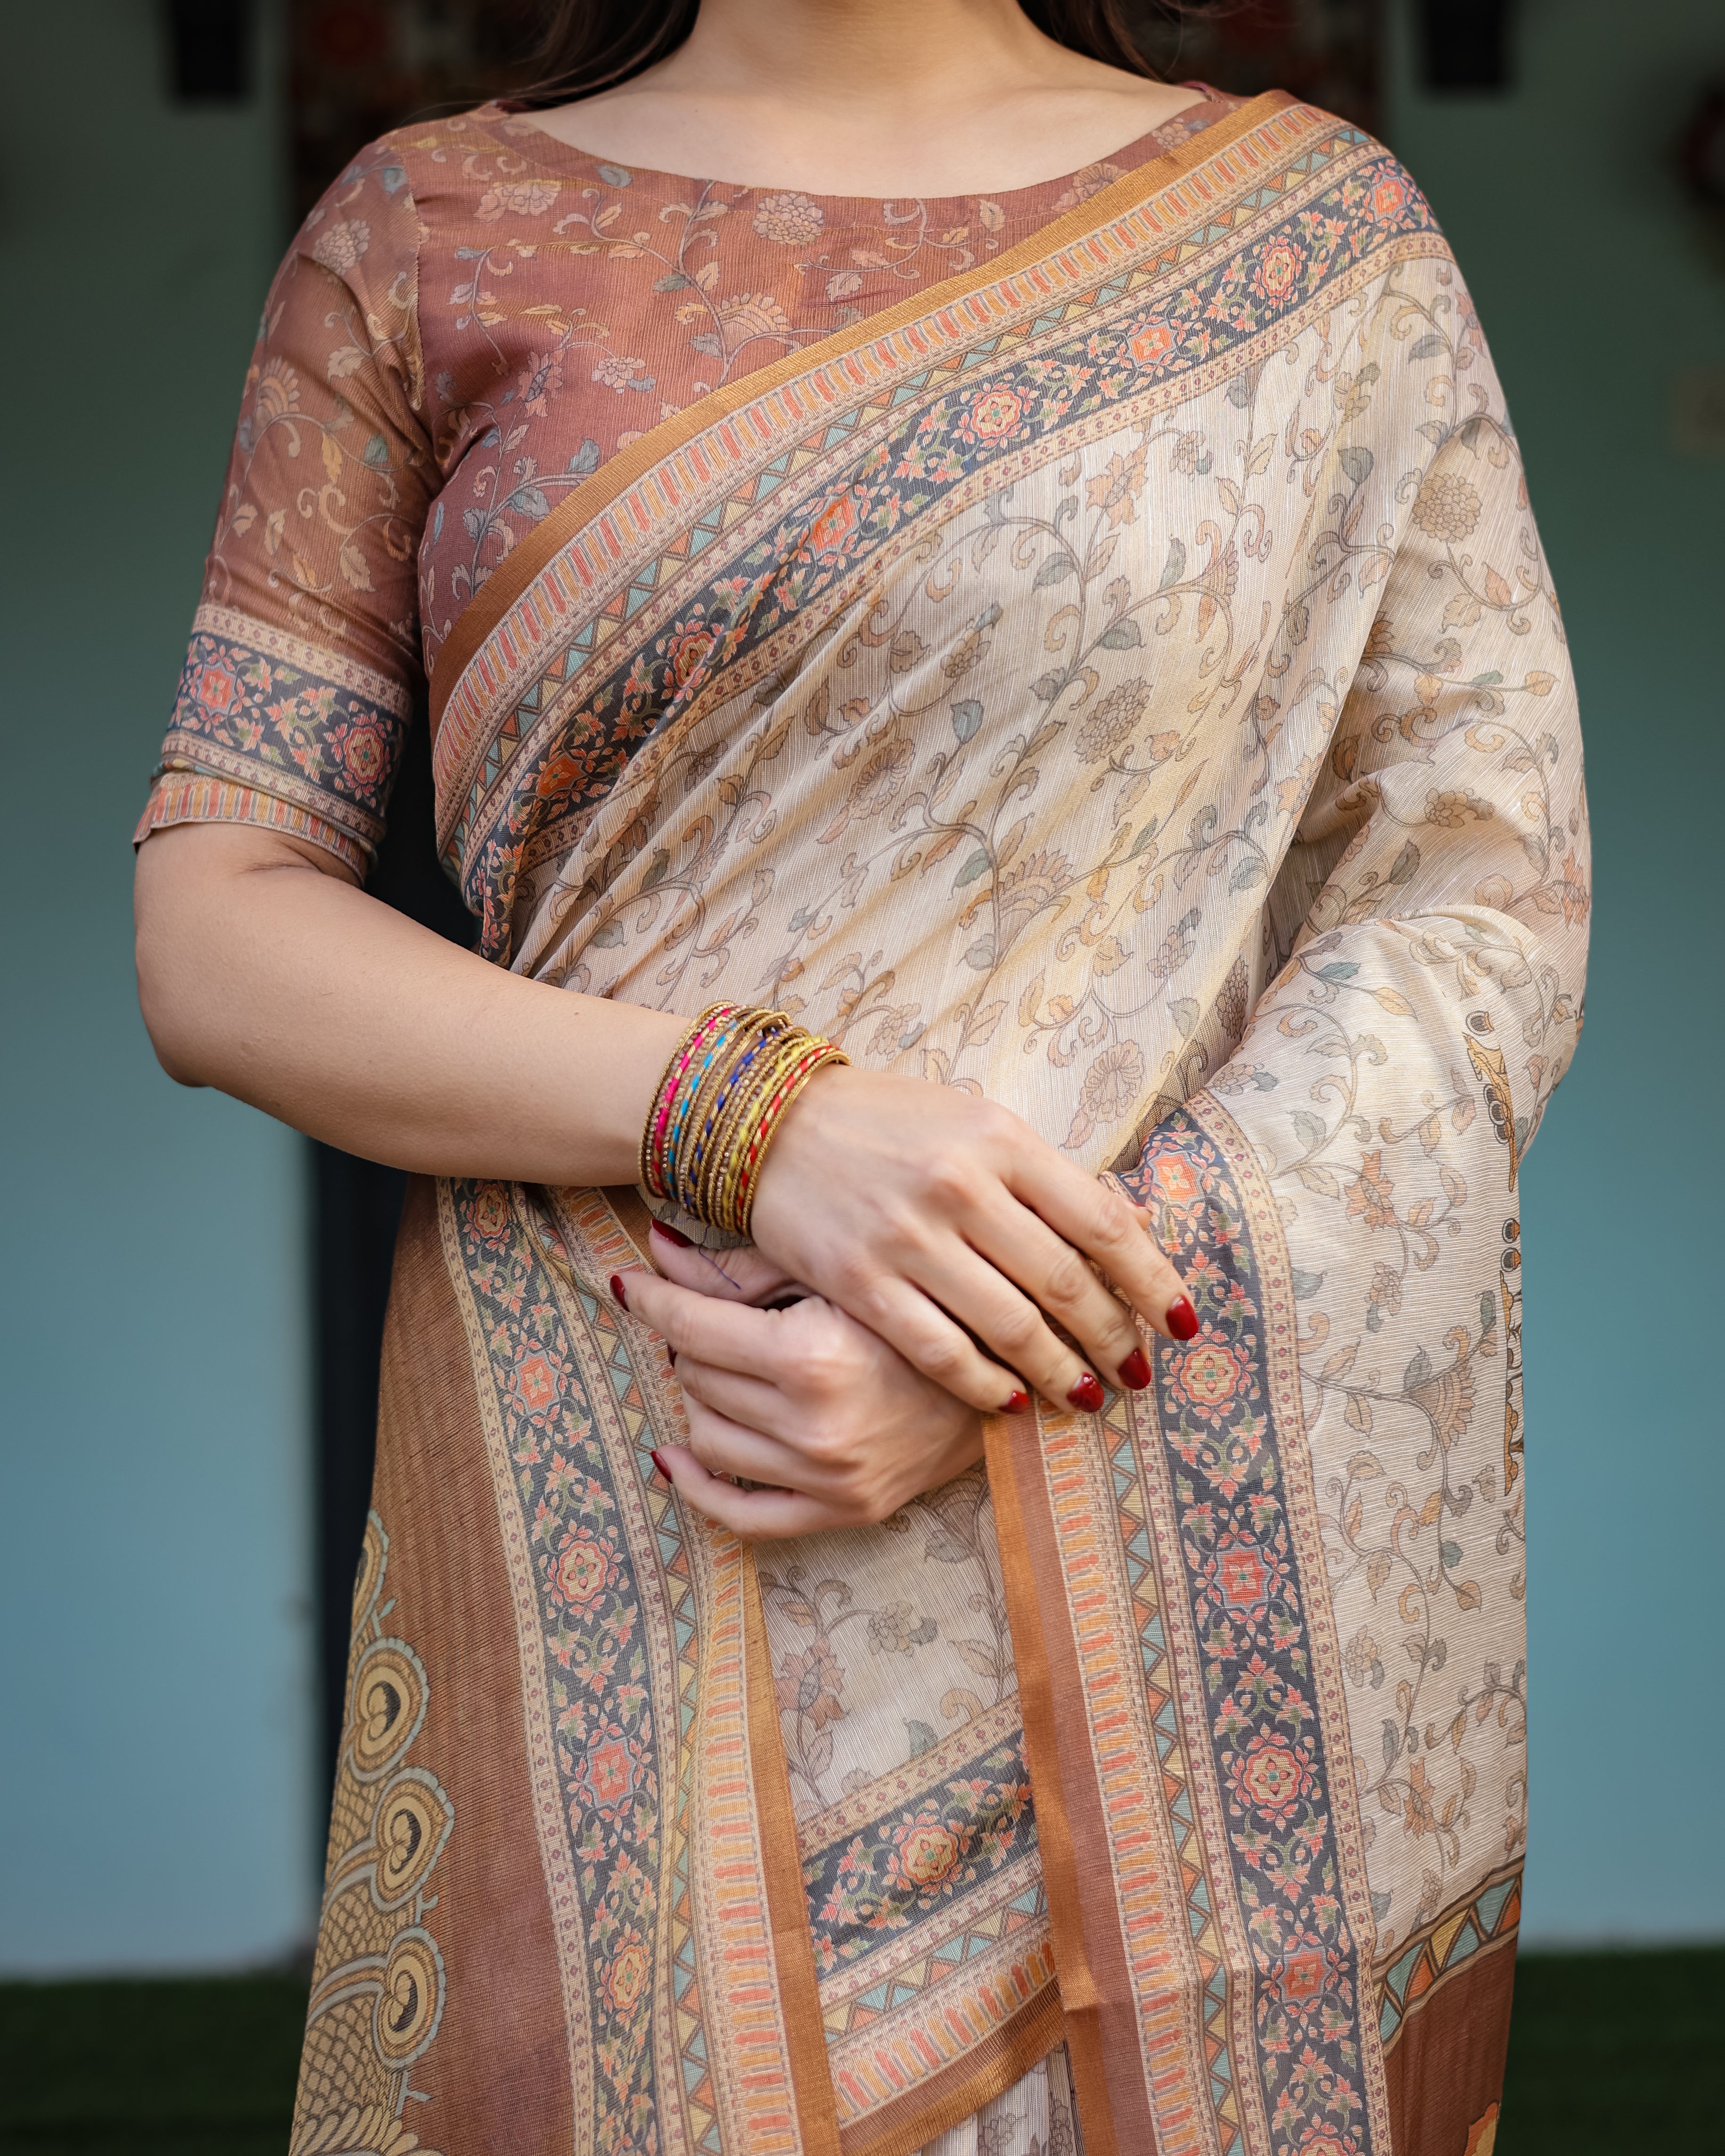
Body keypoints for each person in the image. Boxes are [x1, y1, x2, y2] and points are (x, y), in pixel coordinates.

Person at [132, 0, 1588, 2148]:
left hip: (1156, 1571)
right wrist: (764, 1118)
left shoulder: (1318, 244)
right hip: (628, 1517)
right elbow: (214, 928)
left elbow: (1475, 904)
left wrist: (1026, 1347)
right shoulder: (431, 231)